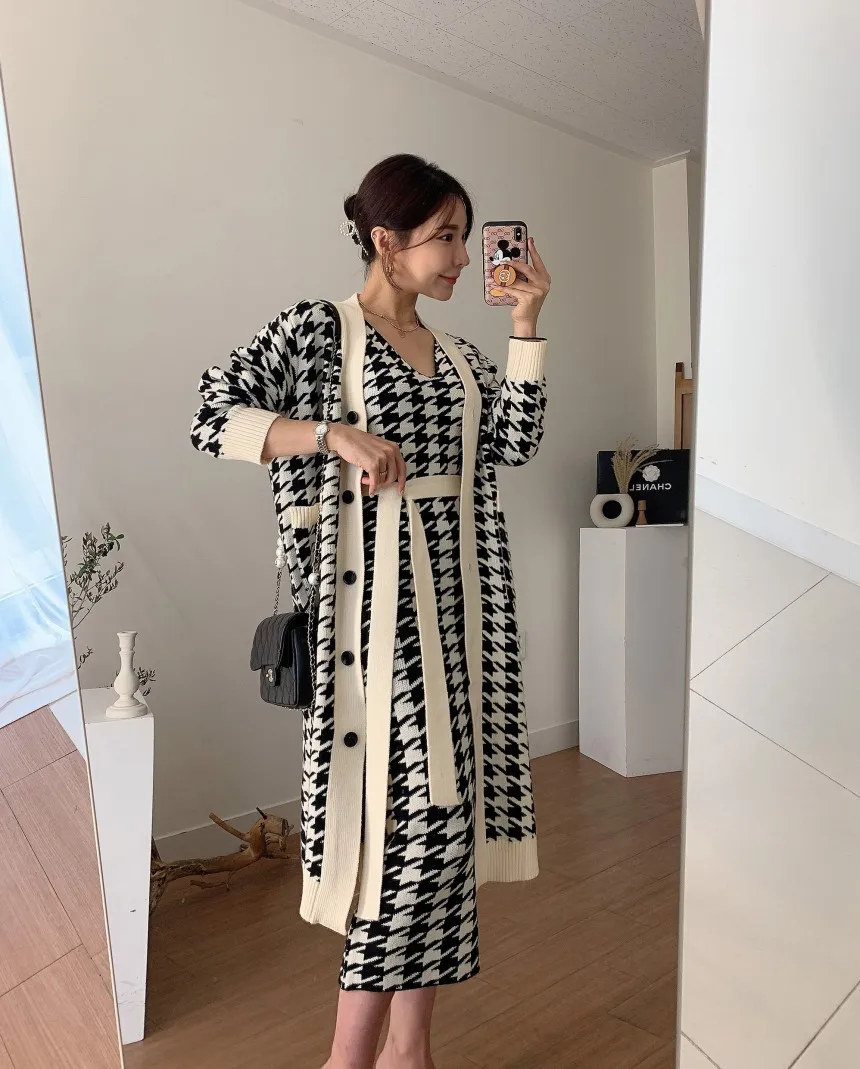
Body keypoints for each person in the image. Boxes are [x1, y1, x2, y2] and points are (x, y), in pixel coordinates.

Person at [190, 153, 551, 1069]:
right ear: (386, 242)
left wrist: (526, 323)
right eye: (445, 237)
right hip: (371, 627)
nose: (462, 256)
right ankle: (354, 1058)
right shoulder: (319, 331)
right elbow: (210, 416)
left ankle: (407, 1051)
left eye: (465, 237)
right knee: (409, 835)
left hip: (461, 618)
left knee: (447, 830)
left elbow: (513, 442)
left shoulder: (459, 355)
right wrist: (329, 434)